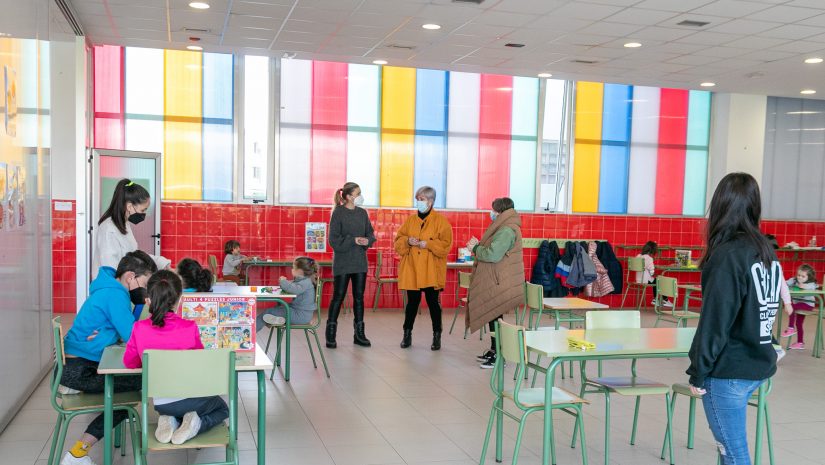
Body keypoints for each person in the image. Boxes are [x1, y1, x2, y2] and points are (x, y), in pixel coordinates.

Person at [686, 172, 783, 465]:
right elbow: (764, 307)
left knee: (734, 454)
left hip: (728, 373)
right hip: (757, 367)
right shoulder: (766, 251)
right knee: (732, 452)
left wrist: (698, 371)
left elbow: (716, 320)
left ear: (719, 207)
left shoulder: (727, 255)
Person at [59, 251, 158, 465]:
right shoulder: (115, 295)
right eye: (145, 282)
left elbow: (123, 331)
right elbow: (131, 336)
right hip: (79, 370)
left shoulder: (110, 289)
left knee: (130, 390)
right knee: (135, 388)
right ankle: (77, 453)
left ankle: (79, 451)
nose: (146, 289)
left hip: (77, 364)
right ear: (130, 277)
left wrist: (110, 334)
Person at [122, 270, 229, 445]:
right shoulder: (189, 327)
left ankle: (169, 419)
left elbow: (130, 363)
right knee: (223, 409)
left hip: (161, 403)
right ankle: (195, 425)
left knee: (176, 406)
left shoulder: (139, 328)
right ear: (179, 299)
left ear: (148, 299)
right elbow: (200, 364)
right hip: (190, 397)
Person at [465, 197, 525, 369]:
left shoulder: (506, 230)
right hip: (497, 279)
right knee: (493, 316)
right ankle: (494, 350)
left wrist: (475, 248)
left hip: (499, 280)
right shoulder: (504, 227)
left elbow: (493, 255)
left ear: (501, 212)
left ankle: (499, 355)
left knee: (496, 318)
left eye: (494, 211)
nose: (491, 214)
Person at [394, 186, 453, 350]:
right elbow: (398, 242)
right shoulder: (410, 221)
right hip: (412, 268)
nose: (418, 202)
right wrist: (407, 241)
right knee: (412, 303)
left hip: (430, 270)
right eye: (417, 199)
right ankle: (407, 334)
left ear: (431, 201)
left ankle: (437, 335)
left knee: (433, 303)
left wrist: (429, 244)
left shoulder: (441, 222)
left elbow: (445, 246)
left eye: (421, 199)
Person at [326, 182, 375, 348]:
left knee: (359, 298)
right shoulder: (338, 213)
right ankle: (331, 334)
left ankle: (359, 334)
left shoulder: (362, 213)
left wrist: (366, 240)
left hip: (360, 262)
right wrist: (352, 240)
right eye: (357, 193)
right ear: (348, 196)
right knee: (338, 296)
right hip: (343, 262)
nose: (360, 196)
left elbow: (371, 235)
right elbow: (333, 240)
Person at [93, 178, 170, 278]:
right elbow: (110, 269)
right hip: (111, 288)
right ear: (129, 207)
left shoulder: (124, 225)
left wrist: (161, 263)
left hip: (122, 284)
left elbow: (134, 255)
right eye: (143, 210)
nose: (144, 214)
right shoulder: (109, 229)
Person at [256, 257, 318, 329]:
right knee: (273, 311)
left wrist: (283, 281)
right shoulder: (305, 280)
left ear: (300, 271)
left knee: (267, 312)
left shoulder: (305, 282)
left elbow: (294, 289)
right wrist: (284, 282)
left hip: (300, 316)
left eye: (294, 268)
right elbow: (293, 285)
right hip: (300, 314)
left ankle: (249, 334)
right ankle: (277, 320)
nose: (292, 269)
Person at [781, 264, 817, 350]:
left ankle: (790, 328)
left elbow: (812, 287)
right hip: (798, 305)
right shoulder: (794, 280)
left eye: (803, 276)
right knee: (799, 323)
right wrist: (786, 284)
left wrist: (802, 285)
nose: (800, 277)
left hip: (808, 304)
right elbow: (784, 284)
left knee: (791, 307)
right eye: (798, 275)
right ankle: (800, 343)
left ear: (809, 277)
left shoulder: (812, 284)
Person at [635, 241, 673, 307]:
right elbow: (652, 273)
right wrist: (656, 274)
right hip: (646, 280)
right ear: (653, 250)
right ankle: (663, 300)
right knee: (660, 280)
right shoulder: (649, 258)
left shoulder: (638, 256)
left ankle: (660, 299)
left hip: (638, 279)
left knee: (656, 280)